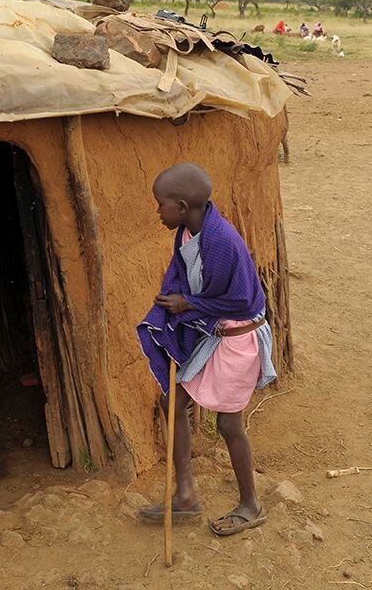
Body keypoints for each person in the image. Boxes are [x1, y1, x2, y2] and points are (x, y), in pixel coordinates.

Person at [137, 163, 276, 536]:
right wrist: (172, 309)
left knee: (228, 424)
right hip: (216, 332)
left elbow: (241, 301)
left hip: (239, 337)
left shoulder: (221, 241)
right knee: (172, 400)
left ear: (182, 206)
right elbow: (180, 277)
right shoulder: (186, 232)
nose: (157, 211)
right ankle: (185, 496)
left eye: (161, 204)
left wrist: (187, 305)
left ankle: (251, 504)